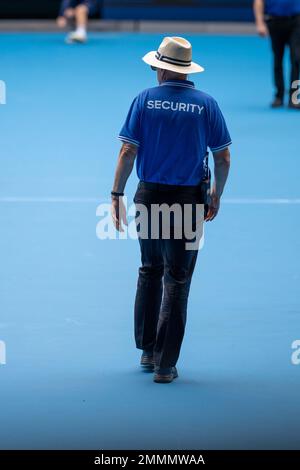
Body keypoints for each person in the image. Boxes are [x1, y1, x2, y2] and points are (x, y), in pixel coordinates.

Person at [111, 37, 231, 384]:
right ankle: (165, 364)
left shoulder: (144, 100)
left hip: (149, 196)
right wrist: (216, 194)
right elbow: (222, 157)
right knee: (177, 278)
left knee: (150, 269)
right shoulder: (206, 104)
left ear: (163, 68)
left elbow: (127, 153)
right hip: (188, 199)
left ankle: (147, 350)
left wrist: (116, 192)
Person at [254, 0, 300, 108]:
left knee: (296, 59)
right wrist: (260, 23)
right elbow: (259, 2)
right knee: (277, 59)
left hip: (296, 21)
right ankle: (278, 96)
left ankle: (294, 98)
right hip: (275, 21)